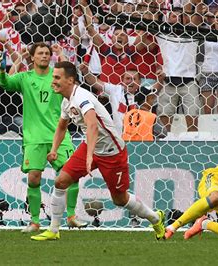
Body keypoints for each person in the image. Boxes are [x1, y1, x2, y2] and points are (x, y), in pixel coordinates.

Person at [31, 61, 165, 241]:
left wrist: (88, 157)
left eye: (57, 77)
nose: (52, 81)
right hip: (91, 146)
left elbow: (92, 126)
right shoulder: (66, 101)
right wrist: (54, 149)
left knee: (120, 199)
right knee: (61, 181)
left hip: (111, 151)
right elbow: (62, 126)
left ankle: (155, 218)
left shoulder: (82, 98)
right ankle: (54, 230)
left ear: (70, 80)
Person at [0, 42, 87, 233]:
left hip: (59, 135)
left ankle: (71, 216)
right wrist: (3, 68)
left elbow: (72, 80)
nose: (45, 56)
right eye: (40, 53)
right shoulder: (25, 78)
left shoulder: (57, 76)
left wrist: (61, 53)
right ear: (32, 57)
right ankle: (35, 222)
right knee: (33, 179)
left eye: (47, 53)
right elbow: (5, 84)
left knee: (71, 174)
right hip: (34, 137)